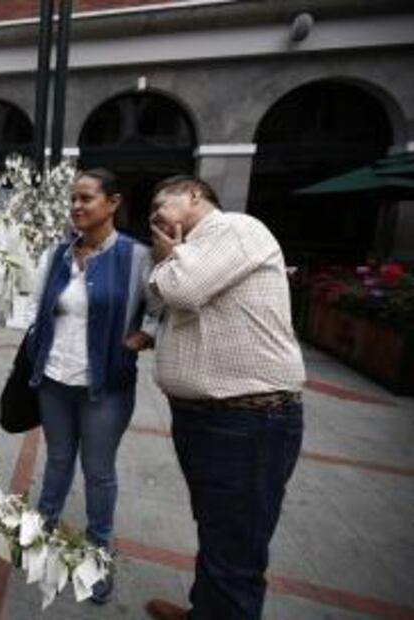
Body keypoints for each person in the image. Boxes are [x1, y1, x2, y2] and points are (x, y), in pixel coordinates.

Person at [142, 175, 305, 620]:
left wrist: (165, 258)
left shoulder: (234, 228)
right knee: (219, 529)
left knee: (236, 548)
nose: (154, 213)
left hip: (248, 419)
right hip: (211, 418)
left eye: (163, 201)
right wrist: (172, 260)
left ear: (195, 194)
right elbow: (160, 302)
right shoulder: (193, 251)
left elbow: (180, 290)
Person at [26, 168, 158, 603]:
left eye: (86, 198)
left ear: (113, 202)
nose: (77, 207)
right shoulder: (58, 255)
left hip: (105, 385)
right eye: (73, 200)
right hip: (54, 379)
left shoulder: (137, 256)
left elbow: (164, 304)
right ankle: (41, 536)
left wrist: (144, 335)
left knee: (98, 473)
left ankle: (97, 557)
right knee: (58, 459)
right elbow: (36, 304)